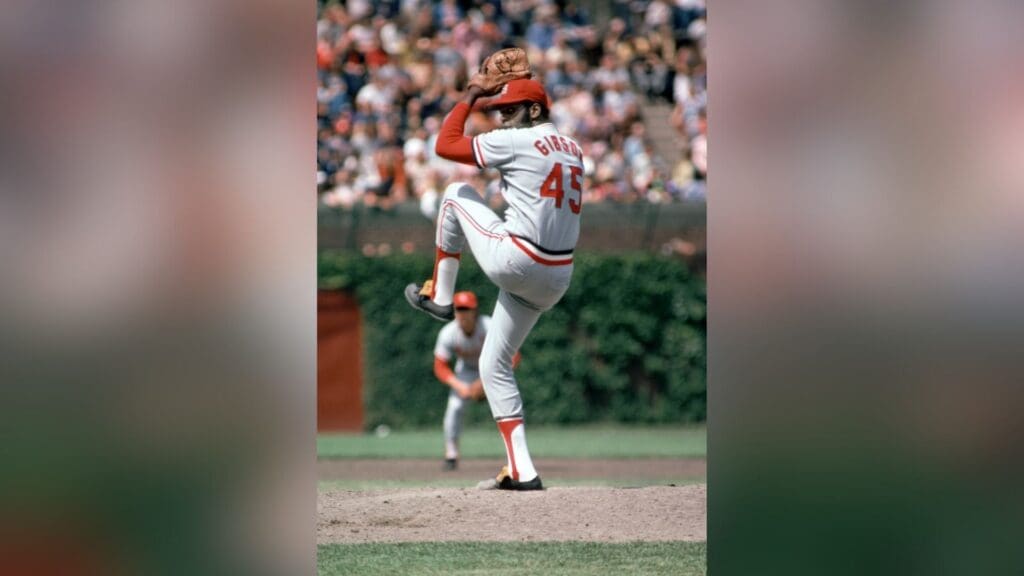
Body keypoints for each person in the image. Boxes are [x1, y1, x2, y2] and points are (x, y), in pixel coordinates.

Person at [404, 77, 583, 491]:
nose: (501, 117)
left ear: (534, 111)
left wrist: (470, 97)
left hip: (520, 260)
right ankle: (522, 469)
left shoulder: (519, 141)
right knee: (493, 364)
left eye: (510, 109)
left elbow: (446, 145)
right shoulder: (574, 149)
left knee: (453, 192)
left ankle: (441, 297)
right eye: (498, 110)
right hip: (557, 277)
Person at [432, 290, 521, 471]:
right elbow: (440, 366)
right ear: (455, 312)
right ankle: (451, 454)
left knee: (510, 405)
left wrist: (484, 382)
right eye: (459, 309)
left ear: (475, 311)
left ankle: (518, 456)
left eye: (467, 309)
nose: (463, 313)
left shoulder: (489, 326)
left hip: (493, 370)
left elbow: (514, 356)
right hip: (465, 372)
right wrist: (460, 386)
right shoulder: (448, 333)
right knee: (455, 407)